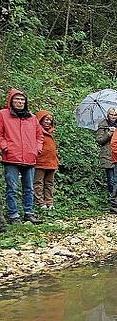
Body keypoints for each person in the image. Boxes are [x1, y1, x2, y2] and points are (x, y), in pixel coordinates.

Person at [0, 89, 44, 225]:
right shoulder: (3, 115)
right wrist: (5, 146)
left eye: (22, 100)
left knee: (29, 188)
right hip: (11, 157)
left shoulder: (32, 117)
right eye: (17, 100)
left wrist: (37, 149)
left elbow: (39, 136)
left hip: (29, 158)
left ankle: (29, 213)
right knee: (12, 188)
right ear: (11, 101)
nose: (20, 102)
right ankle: (13, 215)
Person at [34, 110, 60, 211]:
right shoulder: (36, 131)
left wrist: (56, 159)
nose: (48, 122)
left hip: (51, 163)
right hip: (40, 162)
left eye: (50, 120)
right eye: (46, 119)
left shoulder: (50, 133)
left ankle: (49, 202)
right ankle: (39, 203)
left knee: (49, 183)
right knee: (38, 183)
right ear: (40, 120)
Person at [95, 107, 117, 196]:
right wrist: (109, 134)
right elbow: (99, 140)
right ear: (108, 115)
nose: (113, 117)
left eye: (115, 115)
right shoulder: (103, 125)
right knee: (111, 178)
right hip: (107, 155)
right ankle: (112, 197)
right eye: (111, 114)